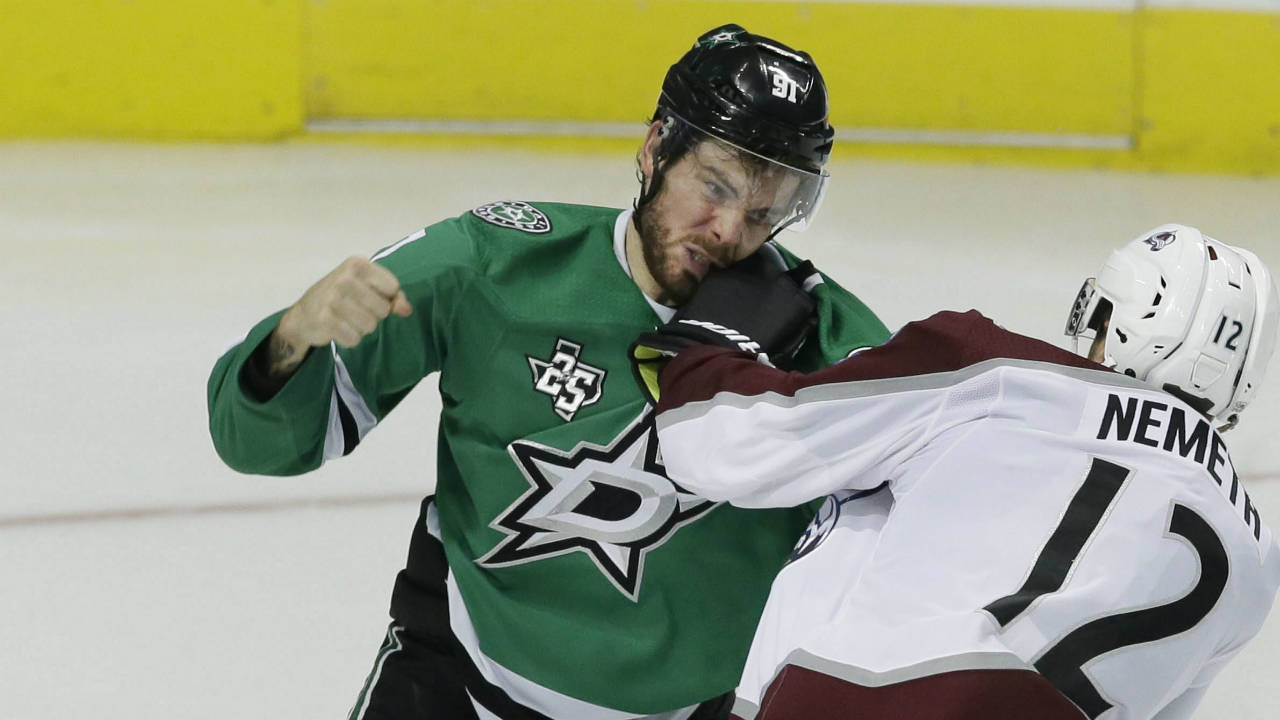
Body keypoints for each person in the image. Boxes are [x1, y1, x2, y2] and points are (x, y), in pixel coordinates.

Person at [206, 23, 889, 720]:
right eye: (713, 184)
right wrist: (290, 340)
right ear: (657, 147)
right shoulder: (495, 268)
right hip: (453, 687)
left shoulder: (824, 346)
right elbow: (256, 442)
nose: (729, 230)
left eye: (764, 210)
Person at [635, 223, 1280, 719]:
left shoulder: (994, 369)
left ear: (1120, 320)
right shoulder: (1255, 557)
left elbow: (716, 445)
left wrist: (709, 347)